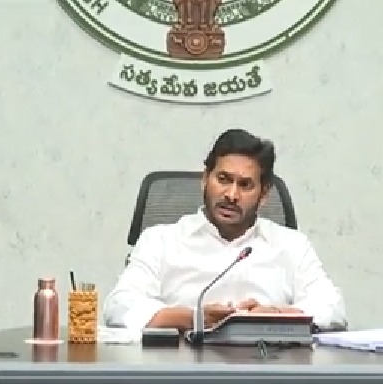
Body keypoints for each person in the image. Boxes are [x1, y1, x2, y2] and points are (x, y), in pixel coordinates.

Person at [103, 129, 346, 332]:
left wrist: (273, 315)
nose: (231, 195)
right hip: (180, 368)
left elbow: (333, 309)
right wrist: (195, 319)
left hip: (266, 368)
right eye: (223, 179)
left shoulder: (291, 245)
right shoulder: (160, 241)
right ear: (205, 179)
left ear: (263, 195)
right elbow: (120, 306)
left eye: (245, 185)